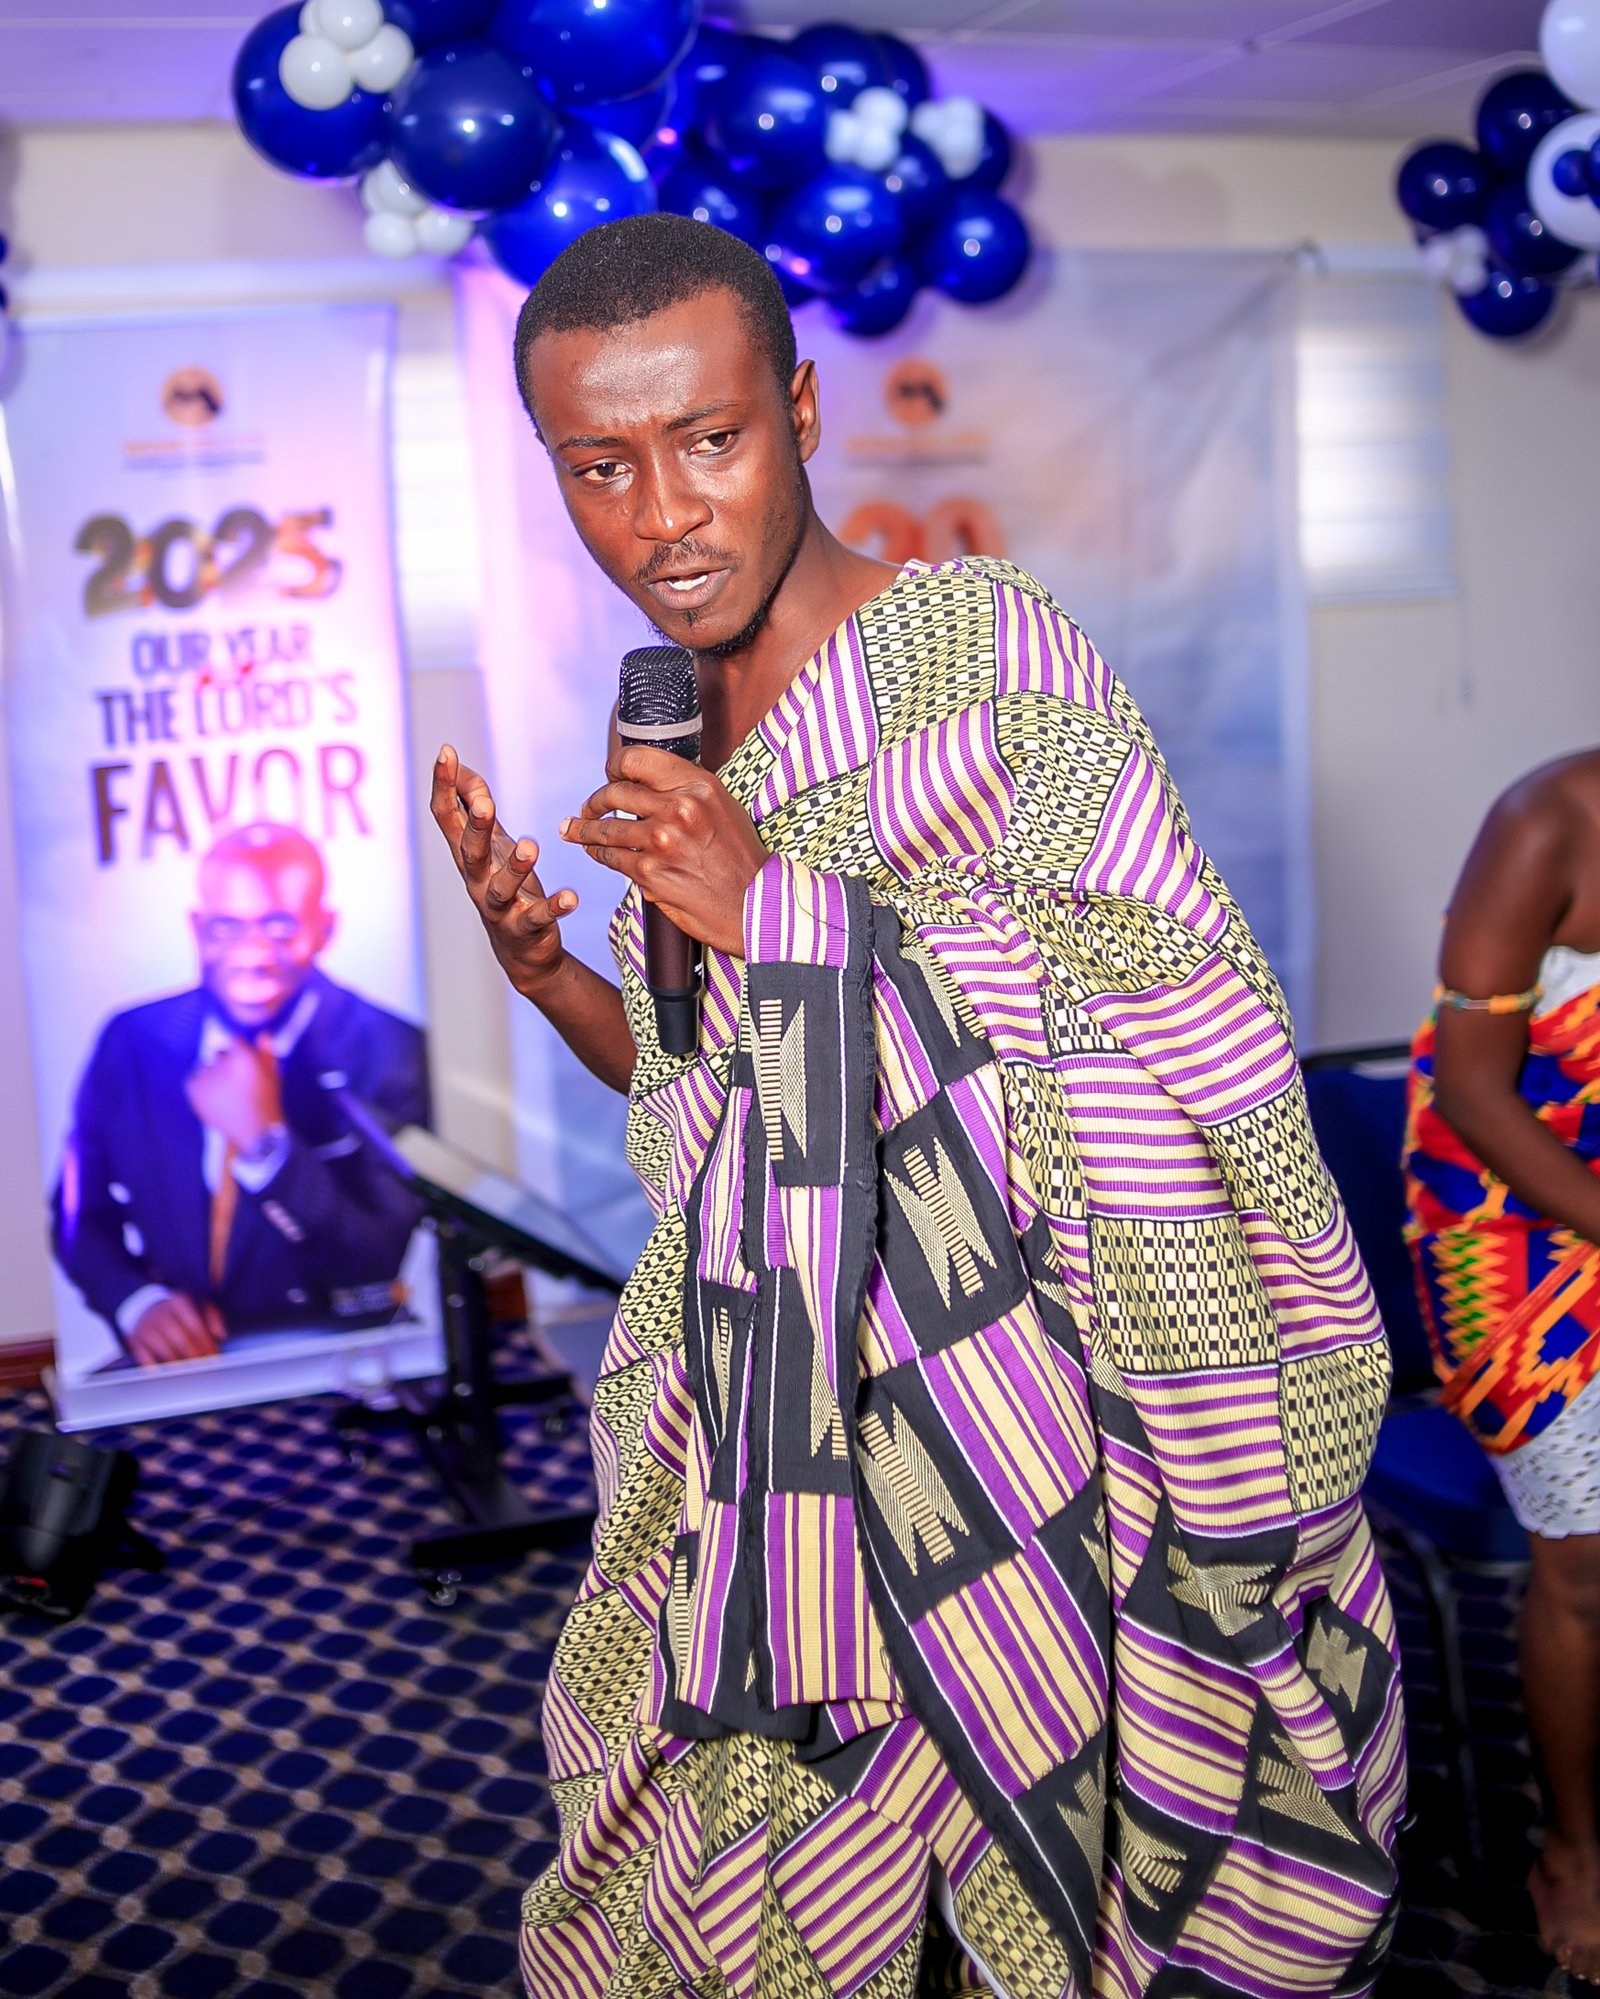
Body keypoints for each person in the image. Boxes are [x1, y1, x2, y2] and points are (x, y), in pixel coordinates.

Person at [433, 214, 1402, 1997]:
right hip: (760, 1425)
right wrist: (557, 974)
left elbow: (1183, 1031)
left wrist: (785, 916)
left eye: (710, 438)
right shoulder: (675, 719)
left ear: (801, 412)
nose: (664, 515)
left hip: (1009, 1434)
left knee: (1028, 1902)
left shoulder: (990, 655)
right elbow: (716, 1099)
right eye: (600, 465)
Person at [1402, 750, 1600, 1985]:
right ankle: (1573, 1848)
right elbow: (1474, 1090)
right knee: (1585, 1569)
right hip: (1511, 1232)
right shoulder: (1549, 822)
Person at [53, 821, 430, 1368]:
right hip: (185, 1354)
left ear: (324, 929)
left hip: (343, 1343)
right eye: (227, 927)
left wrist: (263, 1142)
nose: (252, 955)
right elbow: (76, 1214)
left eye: (279, 926)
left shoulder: (391, 1049)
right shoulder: (132, 1039)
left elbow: (376, 1258)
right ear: (196, 928)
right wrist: (138, 1303)